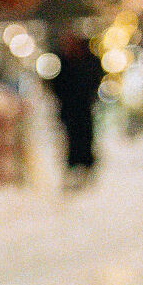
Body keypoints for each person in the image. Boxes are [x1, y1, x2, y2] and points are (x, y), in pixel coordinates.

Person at [49, 31, 104, 182]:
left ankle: (86, 165)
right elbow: (56, 83)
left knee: (85, 136)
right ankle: (73, 165)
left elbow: (95, 78)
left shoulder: (88, 61)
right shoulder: (64, 60)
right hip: (69, 107)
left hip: (84, 106)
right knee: (71, 137)